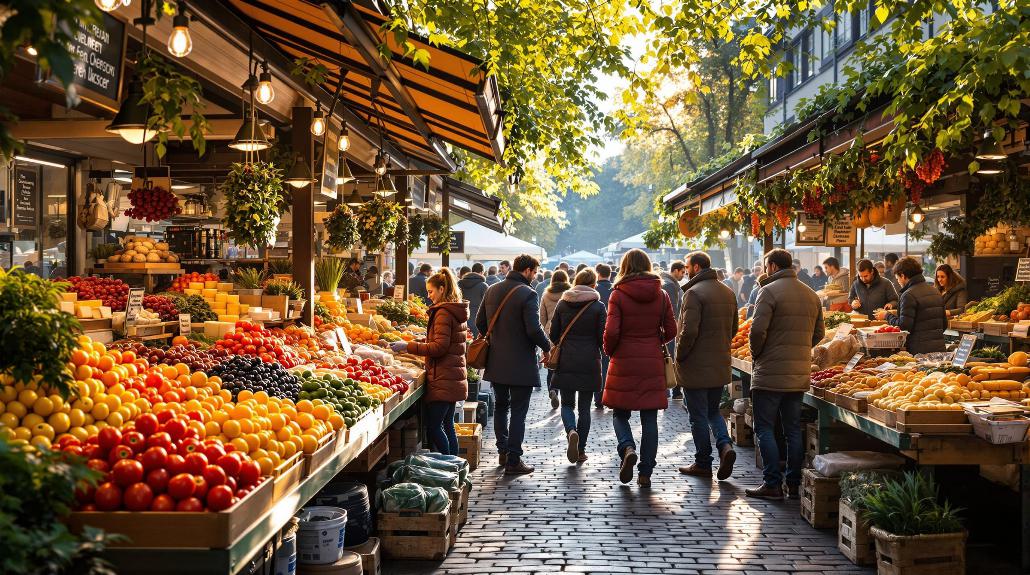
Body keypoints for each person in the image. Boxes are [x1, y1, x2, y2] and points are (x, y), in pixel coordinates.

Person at [746, 249, 824, 500]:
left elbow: (757, 331)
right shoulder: (811, 294)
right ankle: (793, 483)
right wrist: (801, 350)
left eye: (765, 266)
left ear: (772, 266)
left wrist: (758, 354)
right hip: (798, 373)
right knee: (792, 430)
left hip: (769, 372)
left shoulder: (767, 291)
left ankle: (772, 483)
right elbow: (819, 334)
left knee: (765, 428)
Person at [602, 249, 677, 488]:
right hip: (652, 360)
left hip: (624, 359)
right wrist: (655, 340)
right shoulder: (662, 294)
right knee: (650, 418)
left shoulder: (618, 294)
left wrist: (610, 350)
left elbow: (612, 331)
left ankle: (627, 447)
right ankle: (646, 473)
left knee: (620, 413)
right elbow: (672, 330)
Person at [476, 254, 551, 475]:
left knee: (501, 406)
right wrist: (547, 347)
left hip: (496, 360)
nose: (535, 276)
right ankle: (513, 459)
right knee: (518, 411)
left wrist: (497, 337)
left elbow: (480, 322)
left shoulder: (492, 289)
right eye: (535, 272)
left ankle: (502, 450)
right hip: (521, 362)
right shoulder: (528, 293)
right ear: (527, 270)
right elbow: (533, 329)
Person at [675, 251, 739, 481]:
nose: (685, 269)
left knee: (697, 415)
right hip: (719, 363)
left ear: (696, 267)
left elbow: (688, 331)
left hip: (695, 364)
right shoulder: (728, 291)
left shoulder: (693, 293)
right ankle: (725, 445)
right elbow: (734, 329)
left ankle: (703, 462)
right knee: (713, 411)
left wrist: (680, 355)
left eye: (687, 265)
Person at [390, 269, 468, 455]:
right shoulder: (454, 309)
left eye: (431, 291)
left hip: (444, 376)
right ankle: (456, 467)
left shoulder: (443, 313)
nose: (428, 295)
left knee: (434, 427)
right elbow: (441, 343)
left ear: (442, 289)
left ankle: (450, 466)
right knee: (448, 425)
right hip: (451, 375)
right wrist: (417, 344)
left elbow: (439, 348)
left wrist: (407, 346)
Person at [549, 268, 606, 464]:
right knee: (584, 408)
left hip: (566, 359)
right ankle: (581, 450)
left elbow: (553, 334)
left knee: (566, 404)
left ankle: (570, 430)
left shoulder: (563, 304)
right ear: (593, 285)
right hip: (589, 360)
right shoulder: (598, 307)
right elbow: (602, 339)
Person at [876, 257, 946, 353]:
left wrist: (886, 315)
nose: (898, 282)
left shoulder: (908, 295)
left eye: (898, 278)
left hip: (919, 352)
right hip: (940, 349)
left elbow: (904, 326)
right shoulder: (935, 291)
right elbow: (944, 324)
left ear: (903, 276)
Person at [540, 269, 571, 409]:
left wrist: (546, 327)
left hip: (550, 332)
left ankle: (552, 389)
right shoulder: (570, 294)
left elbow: (542, 317)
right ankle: (564, 393)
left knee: (551, 364)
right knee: (564, 364)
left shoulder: (546, 295)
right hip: (566, 332)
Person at [660, 261, 687, 400]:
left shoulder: (668, 282)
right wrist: (676, 328)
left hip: (667, 328)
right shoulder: (670, 285)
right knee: (670, 358)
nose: (683, 275)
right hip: (671, 328)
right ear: (675, 270)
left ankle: (670, 390)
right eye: (682, 272)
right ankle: (673, 390)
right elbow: (672, 311)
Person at [594, 263, 614, 409]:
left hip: (597, 332)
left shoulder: (594, 289)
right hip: (614, 331)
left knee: (599, 365)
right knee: (612, 366)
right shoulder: (615, 289)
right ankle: (611, 396)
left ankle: (599, 397)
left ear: (598, 274)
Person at [458, 264, 489, 337]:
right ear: (482, 272)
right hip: (478, 323)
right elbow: (487, 306)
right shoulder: (484, 286)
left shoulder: (459, 284)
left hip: (461, 321)